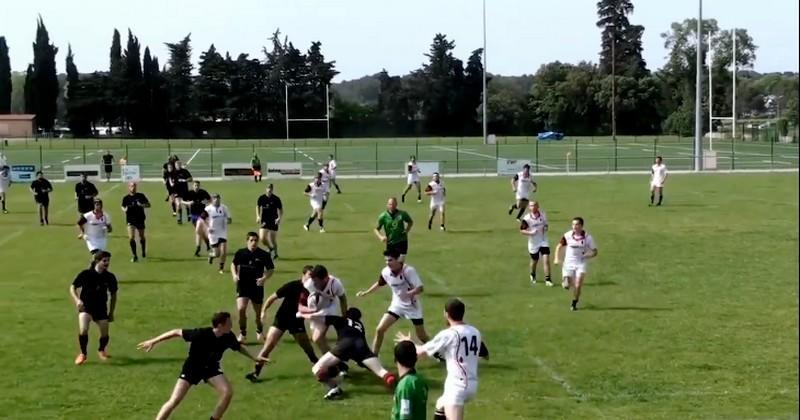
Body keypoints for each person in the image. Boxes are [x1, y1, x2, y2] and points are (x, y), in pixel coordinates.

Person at [136, 312, 269, 420]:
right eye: (229, 324)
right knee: (174, 401)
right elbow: (176, 332)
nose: (231, 326)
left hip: (211, 368)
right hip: (192, 367)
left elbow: (238, 347)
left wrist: (255, 358)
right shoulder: (201, 334)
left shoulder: (228, 336)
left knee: (227, 392)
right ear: (220, 325)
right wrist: (153, 341)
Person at [395, 298, 485, 420]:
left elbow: (422, 352)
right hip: (472, 384)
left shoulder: (450, 334)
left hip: (457, 385)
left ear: (446, 314)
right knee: (440, 404)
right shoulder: (475, 332)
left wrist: (408, 343)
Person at [299, 307, 397, 400]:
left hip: (344, 345)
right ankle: (396, 386)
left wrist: (302, 314)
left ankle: (334, 388)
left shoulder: (342, 320)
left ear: (346, 315)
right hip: (361, 346)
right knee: (381, 371)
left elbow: (319, 317)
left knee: (317, 368)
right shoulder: (360, 325)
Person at [245, 266, 320, 382]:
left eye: (313, 276)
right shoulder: (292, 286)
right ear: (303, 275)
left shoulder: (313, 290)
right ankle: (256, 373)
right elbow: (272, 298)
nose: (312, 278)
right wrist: (263, 312)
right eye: (310, 275)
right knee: (268, 346)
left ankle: (320, 368)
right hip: (282, 319)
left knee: (308, 348)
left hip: (297, 321)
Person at [356, 249, 429, 356]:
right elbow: (380, 283)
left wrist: (410, 293)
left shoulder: (408, 271)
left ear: (397, 260)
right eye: (386, 261)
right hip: (397, 305)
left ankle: (438, 353)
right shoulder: (385, 272)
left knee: (421, 336)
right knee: (380, 329)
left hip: (412, 306)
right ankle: (373, 356)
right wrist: (366, 292)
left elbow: (420, 288)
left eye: (390, 260)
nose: (387, 263)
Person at [69, 250, 117, 365]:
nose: (107, 263)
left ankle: (101, 350)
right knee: (83, 329)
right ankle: (83, 354)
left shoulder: (110, 277)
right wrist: (77, 300)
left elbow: (114, 295)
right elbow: (72, 287)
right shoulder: (86, 274)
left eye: (108, 261)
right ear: (97, 261)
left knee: (104, 333)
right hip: (86, 307)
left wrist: (111, 312)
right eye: (104, 261)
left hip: (101, 309)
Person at [231, 232, 275, 343]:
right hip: (243, 285)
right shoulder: (241, 253)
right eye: (251, 240)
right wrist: (234, 275)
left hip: (256, 286)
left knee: (258, 314)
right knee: (241, 309)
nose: (254, 242)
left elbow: (270, 270)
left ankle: (259, 331)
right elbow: (233, 264)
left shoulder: (263, 254)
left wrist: (264, 278)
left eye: (256, 240)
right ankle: (242, 333)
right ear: (247, 241)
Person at [298, 265, 348, 359]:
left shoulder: (335, 283)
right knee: (317, 339)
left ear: (325, 278)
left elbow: (342, 298)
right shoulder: (309, 285)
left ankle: (336, 364)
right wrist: (311, 310)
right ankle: (337, 362)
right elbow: (300, 306)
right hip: (316, 310)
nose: (314, 283)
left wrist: (345, 317)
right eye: (313, 280)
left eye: (316, 281)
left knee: (318, 338)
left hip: (330, 308)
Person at [554, 217, 598, 311]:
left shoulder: (587, 237)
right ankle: (566, 281)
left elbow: (595, 252)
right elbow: (558, 247)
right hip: (568, 263)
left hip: (581, 263)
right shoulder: (568, 235)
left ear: (581, 226)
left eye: (577, 224)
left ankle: (574, 302)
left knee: (578, 285)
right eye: (573, 224)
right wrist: (556, 258)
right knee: (566, 285)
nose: (574, 226)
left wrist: (587, 255)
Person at [392, 340, 428, 420]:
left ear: (395, 359)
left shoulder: (405, 386)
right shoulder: (420, 381)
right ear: (415, 358)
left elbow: (405, 416)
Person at [519, 201, 552, 286]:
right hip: (533, 243)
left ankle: (548, 279)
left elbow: (546, 225)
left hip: (543, 241)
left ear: (538, 206)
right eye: (530, 206)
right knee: (534, 261)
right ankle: (532, 274)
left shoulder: (542, 215)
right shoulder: (526, 219)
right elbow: (522, 231)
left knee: (546, 259)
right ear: (529, 208)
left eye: (534, 205)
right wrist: (531, 233)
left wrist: (545, 228)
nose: (532, 207)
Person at [374, 198, 413, 262]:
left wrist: (407, 230)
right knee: (390, 261)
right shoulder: (383, 216)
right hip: (391, 242)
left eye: (393, 204)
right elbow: (376, 229)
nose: (392, 206)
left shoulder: (402, 214)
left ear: (396, 205)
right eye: (390, 204)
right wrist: (381, 237)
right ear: (387, 205)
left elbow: (410, 222)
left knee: (400, 262)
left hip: (402, 241)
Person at [121, 182, 150, 262]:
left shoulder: (141, 196)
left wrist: (141, 205)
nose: (132, 188)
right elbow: (123, 206)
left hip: (140, 219)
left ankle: (143, 251)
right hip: (130, 220)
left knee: (141, 236)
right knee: (131, 238)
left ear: (136, 187)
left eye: (134, 186)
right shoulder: (126, 198)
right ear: (128, 187)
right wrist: (124, 209)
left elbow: (148, 205)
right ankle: (134, 255)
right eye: (131, 186)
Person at [183, 181, 212, 256]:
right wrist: (188, 203)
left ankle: (198, 248)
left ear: (199, 186)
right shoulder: (189, 193)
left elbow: (210, 200)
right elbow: (182, 201)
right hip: (193, 215)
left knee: (198, 231)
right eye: (195, 185)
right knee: (200, 232)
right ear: (193, 186)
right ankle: (207, 243)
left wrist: (206, 202)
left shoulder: (203, 192)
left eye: (198, 185)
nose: (196, 187)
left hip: (202, 215)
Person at [206, 193, 232, 273]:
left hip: (222, 232)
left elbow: (230, 219)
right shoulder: (208, 209)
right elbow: (203, 219)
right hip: (213, 233)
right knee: (217, 254)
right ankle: (211, 256)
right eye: (214, 198)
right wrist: (208, 227)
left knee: (223, 251)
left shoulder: (224, 208)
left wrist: (228, 220)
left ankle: (221, 268)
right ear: (212, 199)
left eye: (218, 198)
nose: (216, 200)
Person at [256, 183, 283, 259]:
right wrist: (258, 216)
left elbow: (280, 209)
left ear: (272, 189)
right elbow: (257, 206)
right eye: (268, 188)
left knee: (272, 239)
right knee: (262, 238)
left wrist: (279, 218)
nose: (269, 190)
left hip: (274, 221)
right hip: (264, 220)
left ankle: (276, 253)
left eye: (270, 188)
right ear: (266, 189)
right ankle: (270, 248)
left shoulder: (276, 199)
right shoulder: (262, 198)